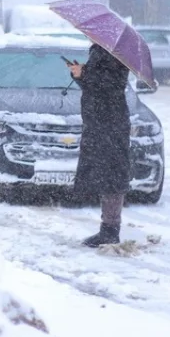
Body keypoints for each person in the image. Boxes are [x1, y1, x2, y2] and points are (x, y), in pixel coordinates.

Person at [68, 43, 132, 247]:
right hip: (101, 121)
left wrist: (84, 73)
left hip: (109, 122)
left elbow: (111, 85)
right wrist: (80, 75)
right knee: (106, 173)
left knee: (112, 173)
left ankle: (111, 230)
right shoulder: (102, 50)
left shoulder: (115, 52)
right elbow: (97, 85)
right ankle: (108, 228)